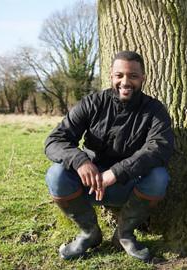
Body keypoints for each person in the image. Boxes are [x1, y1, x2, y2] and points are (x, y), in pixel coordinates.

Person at [44, 51, 174, 262]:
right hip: (88, 185)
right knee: (55, 175)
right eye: (119, 75)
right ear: (111, 76)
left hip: (129, 186)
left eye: (132, 76)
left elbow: (160, 148)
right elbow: (55, 140)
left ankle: (124, 234)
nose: (125, 81)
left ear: (143, 78)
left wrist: (117, 172)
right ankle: (89, 233)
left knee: (159, 176)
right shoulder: (92, 103)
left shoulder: (155, 110)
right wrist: (80, 161)